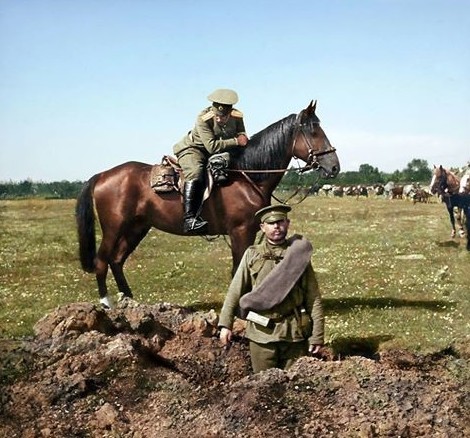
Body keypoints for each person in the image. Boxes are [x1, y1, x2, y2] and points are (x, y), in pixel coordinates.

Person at [218, 204, 325, 373]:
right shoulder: (252, 255)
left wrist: (317, 336)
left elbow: (313, 298)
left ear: (288, 223)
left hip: (294, 335)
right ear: (262, 227)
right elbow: (235, 291)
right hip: (261, 334)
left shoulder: (298, 256)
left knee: (295, 388)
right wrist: (225, 325)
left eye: (281, 221)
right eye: (271, 223)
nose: (276, 226)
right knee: (263, 389)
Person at [173, 89, 249, 234]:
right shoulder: (203, 118)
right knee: (195, 172)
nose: (219, 119)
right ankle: (189, 219)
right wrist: (236, 141)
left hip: (218, 152)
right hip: (193, 149)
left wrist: (242, 139)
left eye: (223, 116)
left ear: (230, 112)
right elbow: (212, 146)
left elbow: (242, 136)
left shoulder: (237, 116)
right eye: (217, 116)